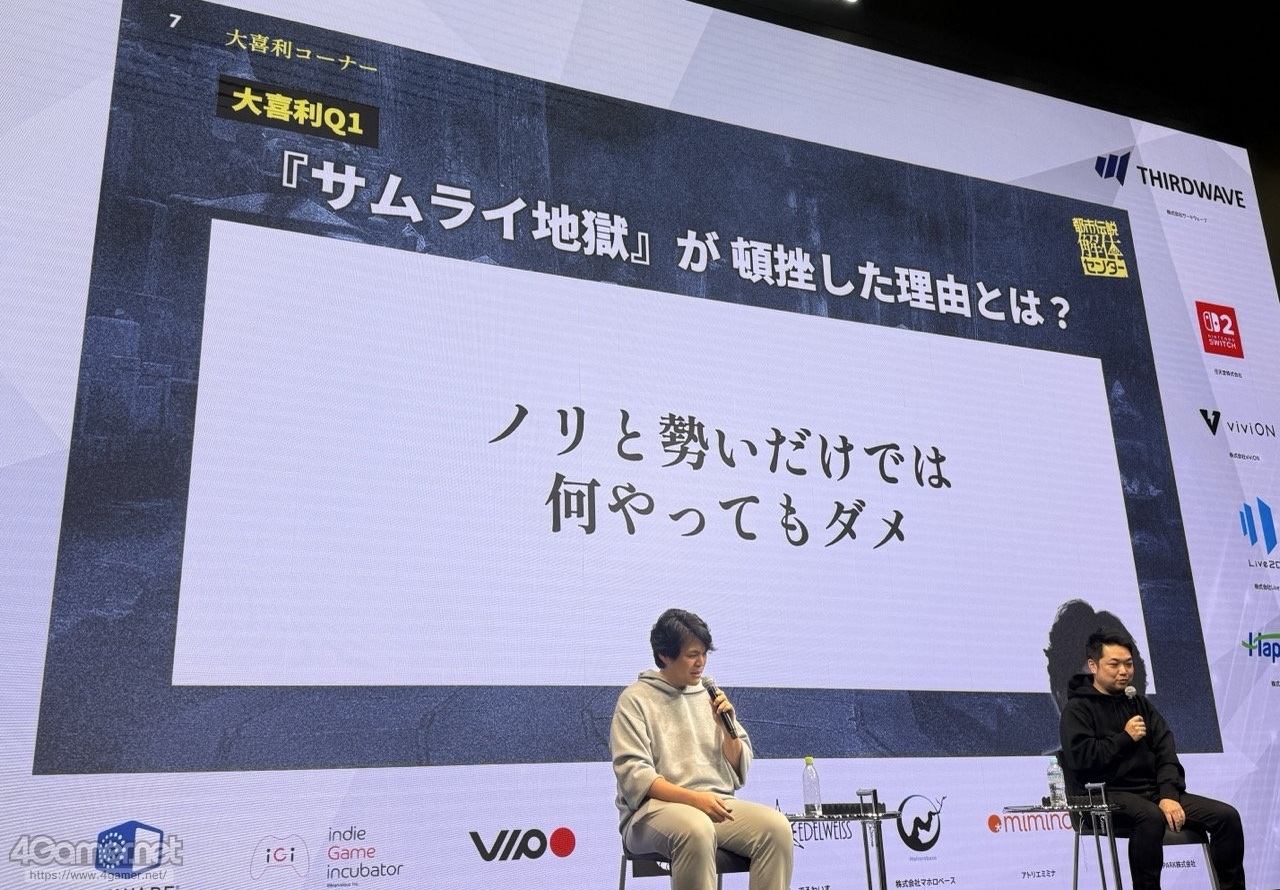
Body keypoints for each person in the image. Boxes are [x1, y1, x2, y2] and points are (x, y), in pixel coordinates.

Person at [611, 608, 793, 890]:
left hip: (714, 804)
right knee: (696, 827)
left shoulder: (709, 695)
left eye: (705, 654)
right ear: (664, 655)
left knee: (776, 829)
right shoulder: (635, 699)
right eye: (692, 655)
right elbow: (636, 777)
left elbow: (738, 770)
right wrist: (696, 800)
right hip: (651, 813)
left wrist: (727, 730)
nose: (701, 663)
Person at [1058, 628, 1246, 890]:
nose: (1123, 671)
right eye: (1114, 664)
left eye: (1128, 664)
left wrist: (1168, 794)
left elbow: (1166, 753)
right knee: (1149, 816)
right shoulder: (1077, 709)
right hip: (1105, 795)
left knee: (1226, 816)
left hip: (1153, 794)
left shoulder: (1140, 704)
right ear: (1093, 666)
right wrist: (1125, 738)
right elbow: (1082, 760)